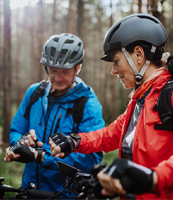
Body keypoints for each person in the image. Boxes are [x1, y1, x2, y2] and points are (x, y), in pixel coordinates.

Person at [49, 14, 173, 199]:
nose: (113, 70)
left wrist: (153, 178)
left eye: (116, 61)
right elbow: (108, 136)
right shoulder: (140, 102)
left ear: (138, 54)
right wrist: (74, 141)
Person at [4, 33, 105, 198]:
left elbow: (91, 159)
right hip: (29, 190)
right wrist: (20, 144)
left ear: (77, 68)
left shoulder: (87, 104)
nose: (58, 78)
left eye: (65, 71)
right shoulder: (34, 93)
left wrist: (41, 156)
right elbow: (16, 129)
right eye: (53, 70)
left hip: (65, 194)